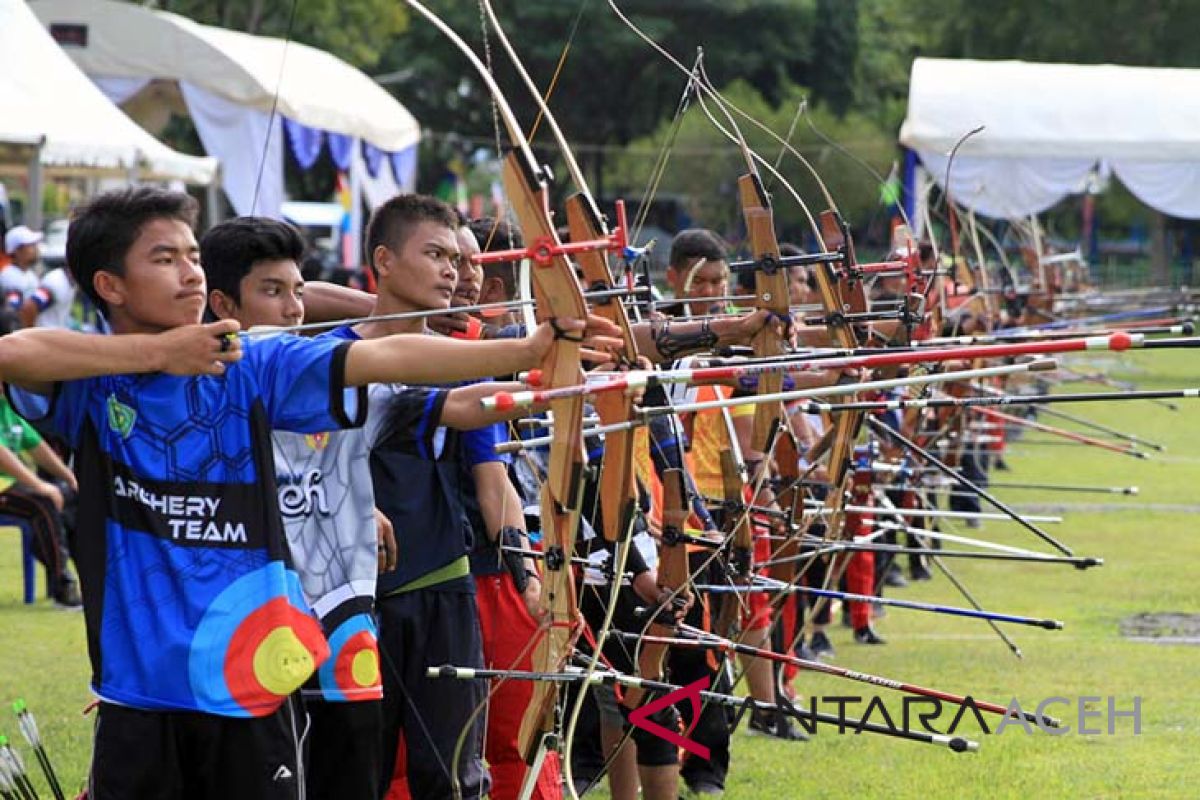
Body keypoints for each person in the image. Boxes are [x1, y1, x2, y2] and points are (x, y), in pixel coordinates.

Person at [1, 186, 605, 800]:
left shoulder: (252, 361)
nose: (189, 272)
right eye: (165, 259)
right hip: (137, 690)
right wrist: (160, 352)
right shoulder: (93, 383)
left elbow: (383, 355)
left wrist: (525, 351)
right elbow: (11, 353)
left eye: (192, 255)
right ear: (110, 285)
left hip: (250, 683)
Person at [203, 215, 401, 800]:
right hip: (252, 625)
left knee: (347, 766)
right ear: (221, 302)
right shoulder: (205, 384)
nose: (293, 309)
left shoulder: (310, 363)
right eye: (272, 292)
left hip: (337, 619)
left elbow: (434, 391)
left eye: (298, 292)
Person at [0, 392, 81, 606]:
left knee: (73, 498)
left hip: (11, 487)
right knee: (42, 502)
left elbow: (37, 447)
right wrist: (40, 485)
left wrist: (69, 476)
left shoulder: (8, 411)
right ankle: (62, 585)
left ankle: (87, 573)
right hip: (4, 488)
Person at [2, 225, 43, 311]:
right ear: (17, 251)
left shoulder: (29, 274)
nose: (36, 248)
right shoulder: (9, 277)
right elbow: (14, 311)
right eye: (31, 245)